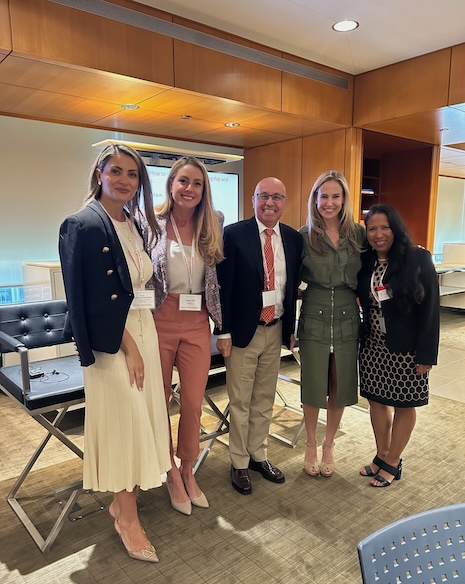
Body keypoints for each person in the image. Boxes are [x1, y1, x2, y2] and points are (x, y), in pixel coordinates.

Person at [59, 144, 171, 562]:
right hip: (112, 343)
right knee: (125, 424)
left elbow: (138, 287)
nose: (124, 180)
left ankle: (122, 505)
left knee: (142, 422)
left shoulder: (133, 223)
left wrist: (146, 341)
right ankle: (126, 516)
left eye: (133, 174)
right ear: (100, 173)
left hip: (144, 331)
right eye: (116, 171)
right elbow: (86, 299)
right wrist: (130, 348)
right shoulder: (82, 224)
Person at [138, 156, 223, 515]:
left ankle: (188, 467)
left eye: (197, 183)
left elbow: (217, 276)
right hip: (159, 318)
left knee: (192, 402)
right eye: (183, 181)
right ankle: (169, 471)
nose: (190, 189)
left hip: (197, 321)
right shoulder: (149, 222)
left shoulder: (213, 223)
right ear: (170, 184)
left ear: (204, 191)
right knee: (158, 401)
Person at [216, 177, 302, 494]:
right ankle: (238, 462)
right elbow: (223, 286)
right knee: (240, 401)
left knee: (264, 399)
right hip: (242, 332)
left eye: (277, 197)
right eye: (264, 196)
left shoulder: (293, 239)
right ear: (253, 199)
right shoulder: (234, 235)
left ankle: (257, 455)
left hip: (276, 328)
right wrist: (222, 330)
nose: (270, 203)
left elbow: (290, 289)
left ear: (285, 202)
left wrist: (291, 330)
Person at [358, 204, 439, 487]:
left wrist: (426, 354)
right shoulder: (366, 261)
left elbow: (430, 309)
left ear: (396, 228)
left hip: (407, 349)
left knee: (404, 404)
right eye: (372, 229)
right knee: (377, 401)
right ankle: (381, 455)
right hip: (373, 346)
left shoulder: (417, 258)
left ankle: (393, 461)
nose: (378, 234)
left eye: (384, 227)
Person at [298, 171, 365, 477]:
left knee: (340, 384)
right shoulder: (303, 236)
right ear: (315, 198)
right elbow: (287, 282)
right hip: (314, 312)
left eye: (335, 196)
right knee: (313, 384)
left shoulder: (358, 234)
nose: (329, 202)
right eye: (323, 196)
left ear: (344, 199)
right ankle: (310, 443)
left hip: (348, 317)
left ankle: (328, 444)